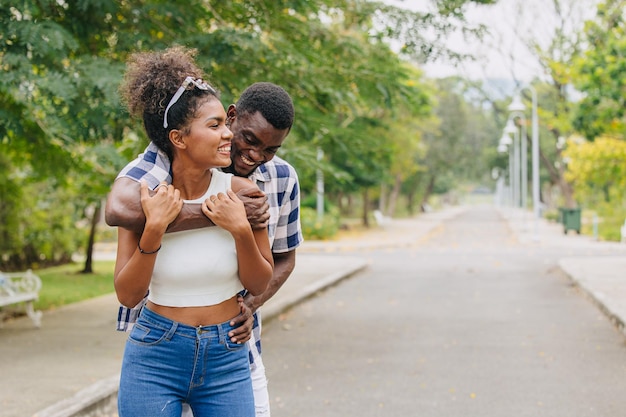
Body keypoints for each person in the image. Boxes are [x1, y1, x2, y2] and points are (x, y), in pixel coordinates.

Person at [106, 80, 302, 417]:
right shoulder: (151, 179)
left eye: (270, 150)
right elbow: (119, 213)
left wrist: (250, 302)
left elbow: (276, 266)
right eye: (248, 138)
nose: (256, 156)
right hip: (157, 348)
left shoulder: (265, 185)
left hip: (231, 347)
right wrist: (171, 221)